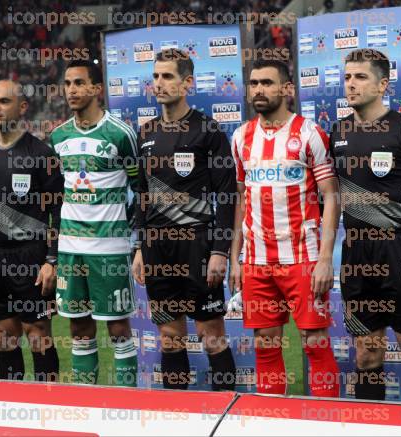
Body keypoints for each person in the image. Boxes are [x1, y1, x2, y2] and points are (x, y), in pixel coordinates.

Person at [329, 48, 401, 403]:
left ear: (383, 84)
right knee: (366, 352)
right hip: (356, 253)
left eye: (360, 77)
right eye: (348, 76)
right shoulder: (338, 132)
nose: (351, 84)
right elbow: (332, 196)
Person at [228, 59, 341, 397]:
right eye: (253, 83)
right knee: (265, 345)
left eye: (266, 82)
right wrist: (236, 258)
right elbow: (240, 200)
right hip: (257, 262)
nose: (258, 89)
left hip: (302, 258)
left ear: (287, 89)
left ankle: (327, 423)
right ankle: (272, 419)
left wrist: (324, 259)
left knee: (315, 343)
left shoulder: (309, 134)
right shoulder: (240, 137)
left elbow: (332, 198)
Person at [131, 49, 237, 391]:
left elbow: (227, 196)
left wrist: (221, 251)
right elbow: (142, 198)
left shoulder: (209, 131)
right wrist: (139, 248)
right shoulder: (145, 133)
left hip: (198, 246)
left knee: (211, 334)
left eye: (167, 76)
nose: (159, 83)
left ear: (187, 82)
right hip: (157, 250)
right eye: (156, 76)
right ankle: (177, 412)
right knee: (169, 336)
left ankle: (227, 414)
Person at [0, 80, 63, 382]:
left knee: (38, 333)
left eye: (4, 101)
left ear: (21, 107)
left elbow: (58, 212)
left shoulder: (41, 154)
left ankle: (50, 405)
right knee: (4, 335)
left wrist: (52, 260)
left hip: (31, 257)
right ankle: (11, 408)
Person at [50, 60, 139, 386]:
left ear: (97, 89)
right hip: (70, 250)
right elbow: (53, 196)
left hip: (110, 250)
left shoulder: (121, 133)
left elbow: (140, 189)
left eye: (79, 83)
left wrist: (134, 239)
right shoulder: (58, 137)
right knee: (78, 327)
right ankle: (85, 401)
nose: (71, 90)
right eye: (68, 83)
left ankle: (128, 405)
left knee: (117, 327)